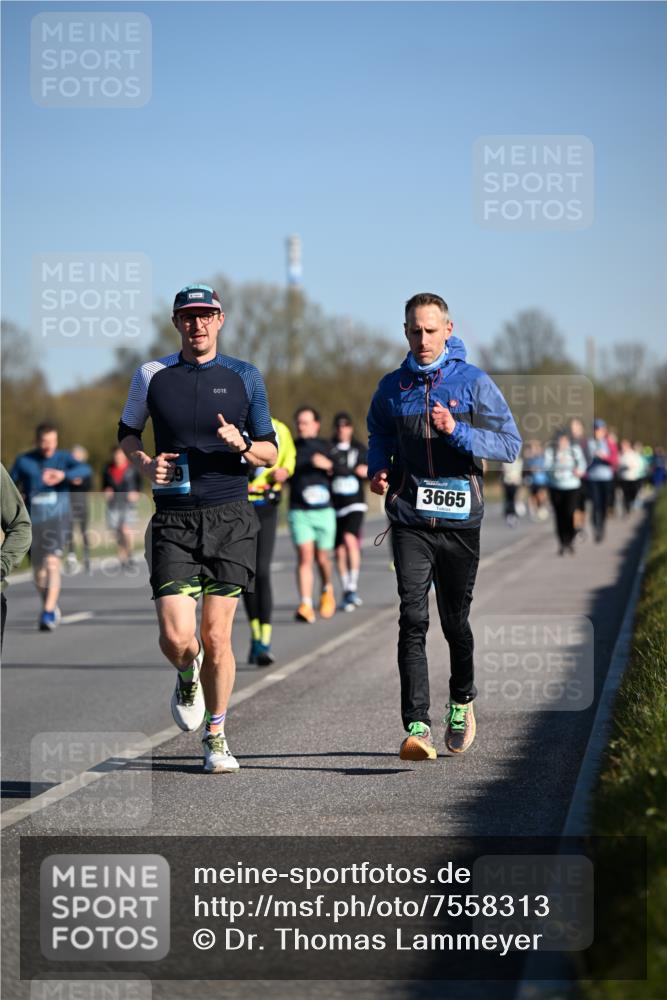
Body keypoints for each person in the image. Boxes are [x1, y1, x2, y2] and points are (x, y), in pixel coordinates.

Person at [118, 284, 277, 774]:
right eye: (188, 317)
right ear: (176, 322)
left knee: (217, 635)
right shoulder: (152, 374)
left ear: (221, 319)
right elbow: (126, 432)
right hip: (174, 518)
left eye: (206, 315)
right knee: (177, 636)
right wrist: (144, 464)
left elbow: (269, 452)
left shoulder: (245, 377)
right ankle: (186, 673)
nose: (198, 324)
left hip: (230, 515)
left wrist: (243, 444)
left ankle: (216, 736)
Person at [367, 292, 521, 760]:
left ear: (449, 330)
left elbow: (509, 444)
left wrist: (456, 430)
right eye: (414, 330)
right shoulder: (393, 387)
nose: (422, 339)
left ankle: (462, 701)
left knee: (455, 622)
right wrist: (378, 467)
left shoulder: (473, 382)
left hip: (459, 521)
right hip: (410, 518)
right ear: (405, 331)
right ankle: (417, 725)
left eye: (431, 330)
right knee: (412, 617)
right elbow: (379, 432)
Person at [11, 423, 91, 631]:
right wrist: (16, 499)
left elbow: (85, 469)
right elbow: (9, 484)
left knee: (52, 561)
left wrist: (63, 476)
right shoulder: (24, 461)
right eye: (45, 442)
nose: (49, 446)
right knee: (38, 571)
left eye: (52, 442)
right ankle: (50, 603)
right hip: (33, 521)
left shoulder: (63, 458)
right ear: (37, 441)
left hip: (58, 518)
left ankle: (47, 613)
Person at [245, 417, 296, 665]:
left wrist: (284, 471)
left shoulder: (280, 428)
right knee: (246, 575)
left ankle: (265, 640)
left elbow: (290, 459)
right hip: (239, 508)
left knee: (262, 571)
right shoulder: (236, 424)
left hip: (266, 505)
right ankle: (255, 637)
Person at [288, 406, 337, 623]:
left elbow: (345, 470)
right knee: (305, 555)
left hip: (324, 511)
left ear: (316, 424)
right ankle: (306, 604)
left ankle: (327, 589)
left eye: (306, 422)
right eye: (299, 422)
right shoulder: (291, 447)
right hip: (300, 510)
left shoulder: (326, 446)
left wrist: (329, 465)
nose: (301, 426)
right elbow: (283, 469)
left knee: (322, 558)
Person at [330, 412, 368, 611]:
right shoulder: (329, 448)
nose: (342, 429)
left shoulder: (359, 448)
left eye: (345, 425)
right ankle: (346, 589)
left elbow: (371, 469)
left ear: (351, 428)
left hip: (355, 503)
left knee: (349, 539)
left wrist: (367, 471)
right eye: (339, 426)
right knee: (338, 549)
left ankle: (352, 586)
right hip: (335, 504)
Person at [1, 463, 32, 646]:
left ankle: (49, 608)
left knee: (49, 563)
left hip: (53, 519)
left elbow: (19, 524)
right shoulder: (25, 460)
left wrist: (3, 564)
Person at [544, 430, 587, 555]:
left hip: (572, 487)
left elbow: (582, 465)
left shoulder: (575, 450)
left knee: (570, 514)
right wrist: (556, 466)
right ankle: (562, 543)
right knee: (559, 516)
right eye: (560, 440)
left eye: (564, 440)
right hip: (556, 487)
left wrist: (579, 471)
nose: (562, 443)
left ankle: (571, 539)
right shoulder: (551, 452)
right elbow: (546, 467)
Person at [102, 446, 144, 568]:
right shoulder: (107, 468)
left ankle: (129, 554)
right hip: (113, 504)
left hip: (128, 503)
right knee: (117, 532)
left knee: (126, 529)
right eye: (116, 455)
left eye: (120, 455)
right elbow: (104, 485)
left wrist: (136, 492)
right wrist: (106, 490)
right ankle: (122, 556)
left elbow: (139, 484)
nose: (118, 457)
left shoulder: (132, 468)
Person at [586, 419, 618, 543]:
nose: (597, 432)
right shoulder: (588, 443)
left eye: (599, 429)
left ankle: (602, 526)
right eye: (595, 429)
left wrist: (605, 457)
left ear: (604, 430)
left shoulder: (609, 443)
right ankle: (596, 528)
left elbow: (615, 460)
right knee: (595, 504)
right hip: (593, 478)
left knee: (604, 505)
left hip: (606, 478)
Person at [65, 444, 93, 573]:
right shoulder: (66, 470)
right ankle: (71, 556)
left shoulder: (86, 470)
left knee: (83, 530)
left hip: (81, 502)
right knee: (69, 530)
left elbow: (90, 486)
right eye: (74, 455)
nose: (76, 457)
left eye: (78, 455)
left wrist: (80, 482)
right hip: (68, 502)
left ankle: (87, 555)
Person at [501, 457, 523, 527]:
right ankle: (509, 514)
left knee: (514, 499)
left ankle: (514, 514)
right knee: (509, 499)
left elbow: (519, 471)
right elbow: (504, 470)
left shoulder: (519, 461)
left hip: (516, 482)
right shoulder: (505, 460)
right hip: (508, 482)